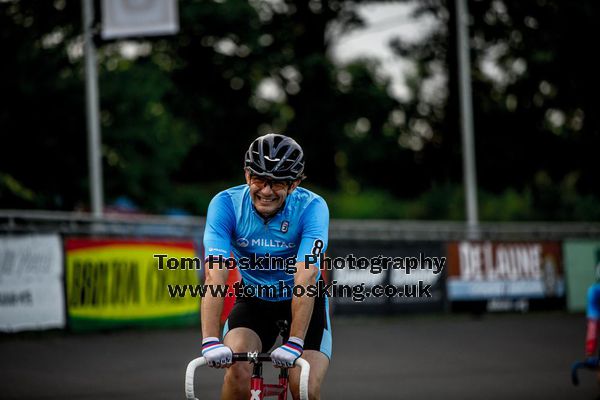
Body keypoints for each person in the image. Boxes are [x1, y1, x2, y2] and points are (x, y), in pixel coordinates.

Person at [201, 133, 332, 400]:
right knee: (237, 371)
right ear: (247, 174)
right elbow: (215, 275)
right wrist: (210, 339)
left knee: (303, 386)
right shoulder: (225, 204)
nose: (266, 190)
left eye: (278, 182)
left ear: (295, 183)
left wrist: (295, 340)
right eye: (259, 179)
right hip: (254, 299)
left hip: (304, 300)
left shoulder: (312, 207)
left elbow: (306, 277)